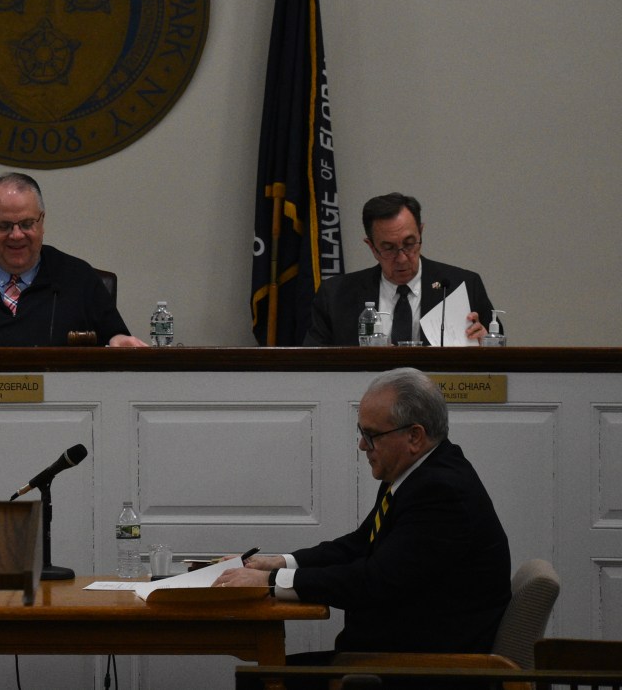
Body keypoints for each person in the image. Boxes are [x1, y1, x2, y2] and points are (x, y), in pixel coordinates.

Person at [215, 367, 512, 663]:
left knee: (262, 678)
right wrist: (277, 562)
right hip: (395, 655)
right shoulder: (415, 475)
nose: (361, 446)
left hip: (421, 670)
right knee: (266, 673)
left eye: (371, 436)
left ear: (414, 436)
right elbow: (360, 545)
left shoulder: (441, 492)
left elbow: (373, 581)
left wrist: (269, 581)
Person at [0, 173, 146, 348]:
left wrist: (116, 340)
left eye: (27, 224)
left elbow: (115, 338)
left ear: (42, 223)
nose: (16, 235)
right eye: (4, 226)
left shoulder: (79, 278)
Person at [302, 193, 496, 346]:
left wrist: (488, 343)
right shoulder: (335, 296)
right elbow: (314, 366)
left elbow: (500, 362)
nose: (402, 258)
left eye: (410, 244)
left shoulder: (463, 286)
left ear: (421, 232)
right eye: (389, 248)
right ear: (371, 246)